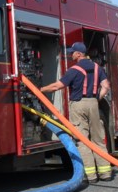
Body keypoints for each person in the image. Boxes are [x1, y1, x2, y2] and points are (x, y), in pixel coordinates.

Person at [41, 42, 113, 182]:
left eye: (73, 52)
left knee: (83, 140)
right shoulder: (98, 68)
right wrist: (97, 98)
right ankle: (106, 173)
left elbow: (58, 86)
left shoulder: (74, 70)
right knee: (98, 139)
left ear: (79, 54)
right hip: (93, 103)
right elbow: (106, 86)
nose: (70, 54)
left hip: (78, 105)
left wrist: (40, 90)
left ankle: (90, 175)